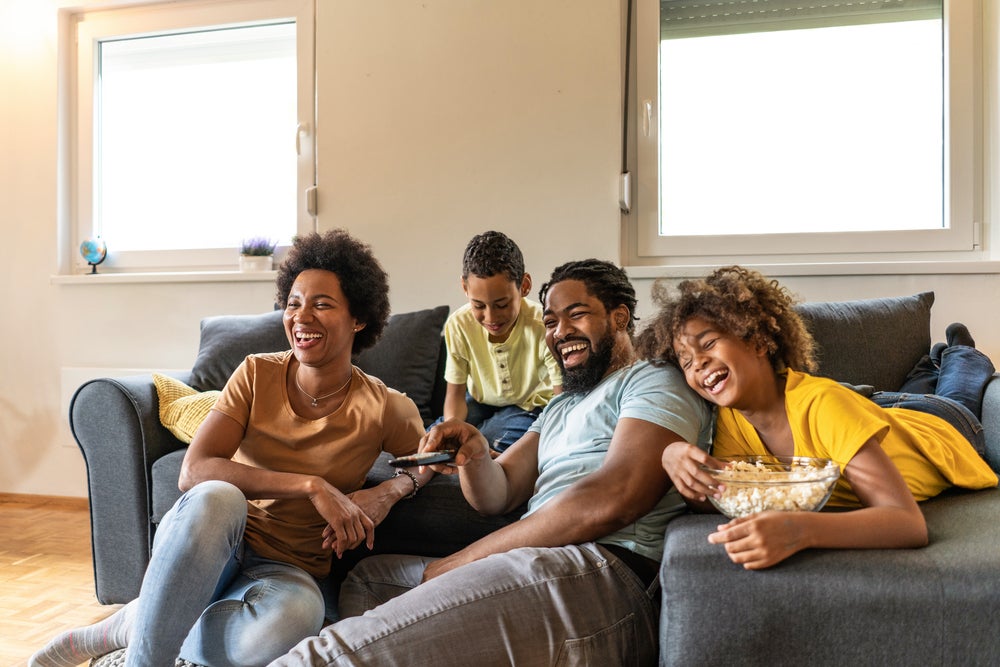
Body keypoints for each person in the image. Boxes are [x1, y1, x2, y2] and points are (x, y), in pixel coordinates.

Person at [271, 259, 713, 666]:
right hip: (539, 565)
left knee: (329, 655)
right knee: (369, 581)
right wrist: (476, 453)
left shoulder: (653, 380)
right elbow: (497, 494)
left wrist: (459, 562)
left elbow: (611, 498)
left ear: (619, 316)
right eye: (551, 322)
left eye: (576, 315)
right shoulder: (561, 407)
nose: (560, 332)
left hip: (597, 574)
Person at [31, 230, 435, 667]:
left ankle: (135, 624)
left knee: (299, 621)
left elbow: (431, 459)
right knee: (216, 495)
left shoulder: (386, 407)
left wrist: (389, 492)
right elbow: (194, 471)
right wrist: (311, 485)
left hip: (288, 573)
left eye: (322, 304)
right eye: (294, 302)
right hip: (217, 542)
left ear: (359, 318)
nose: (302, 317)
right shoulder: (256, 373)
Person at [635, 265, 999, 571]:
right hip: (869, 413)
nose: (696, 362)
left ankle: (960, 351)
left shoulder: (823, 405)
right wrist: (672, 457)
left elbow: (907, 524)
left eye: (709, 343)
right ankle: (926, 367)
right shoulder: (731, 420)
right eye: (685, 360)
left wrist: (801, 530)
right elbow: (725, 495)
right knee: (899, 390)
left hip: (939, 427)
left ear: (758, 341)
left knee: (952, 393)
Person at [438, 230, 562, 454]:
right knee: (437, 440)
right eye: (478, 306)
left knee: (488, 442)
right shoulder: (458, 324)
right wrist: (453, 428)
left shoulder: (544, 325)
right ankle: (402, 484)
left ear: (524, 286)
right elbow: (455, 395)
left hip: (530, 405)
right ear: (465, 288)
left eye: (502, 304)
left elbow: (561, 396)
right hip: (478, 403)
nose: (491, 317)